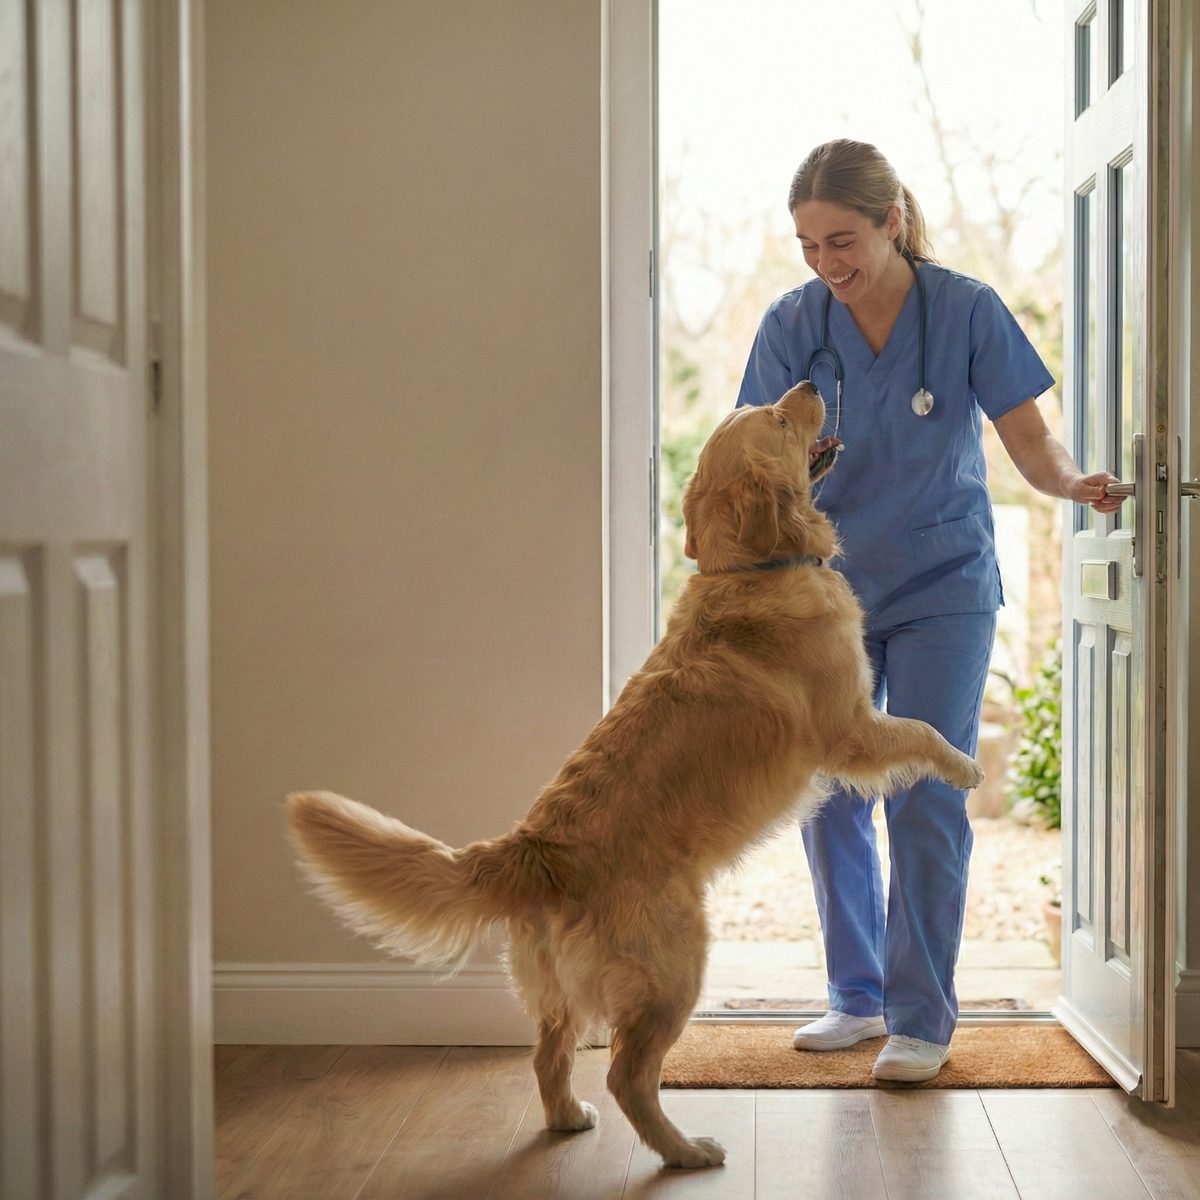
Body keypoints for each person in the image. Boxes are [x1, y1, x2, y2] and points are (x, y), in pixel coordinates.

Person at [735, 139, 1123, 1083]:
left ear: (891, 219)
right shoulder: (794, 324)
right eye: (808, 246)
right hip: (821, 593)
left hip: (942, 582)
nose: (827, 264)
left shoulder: (965, 311)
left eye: (843, 239)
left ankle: (921, 1016)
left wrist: (1074, 485)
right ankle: (856, 998)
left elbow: (1029, 440)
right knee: (826, 793)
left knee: (923, 787)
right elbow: (757, 457)